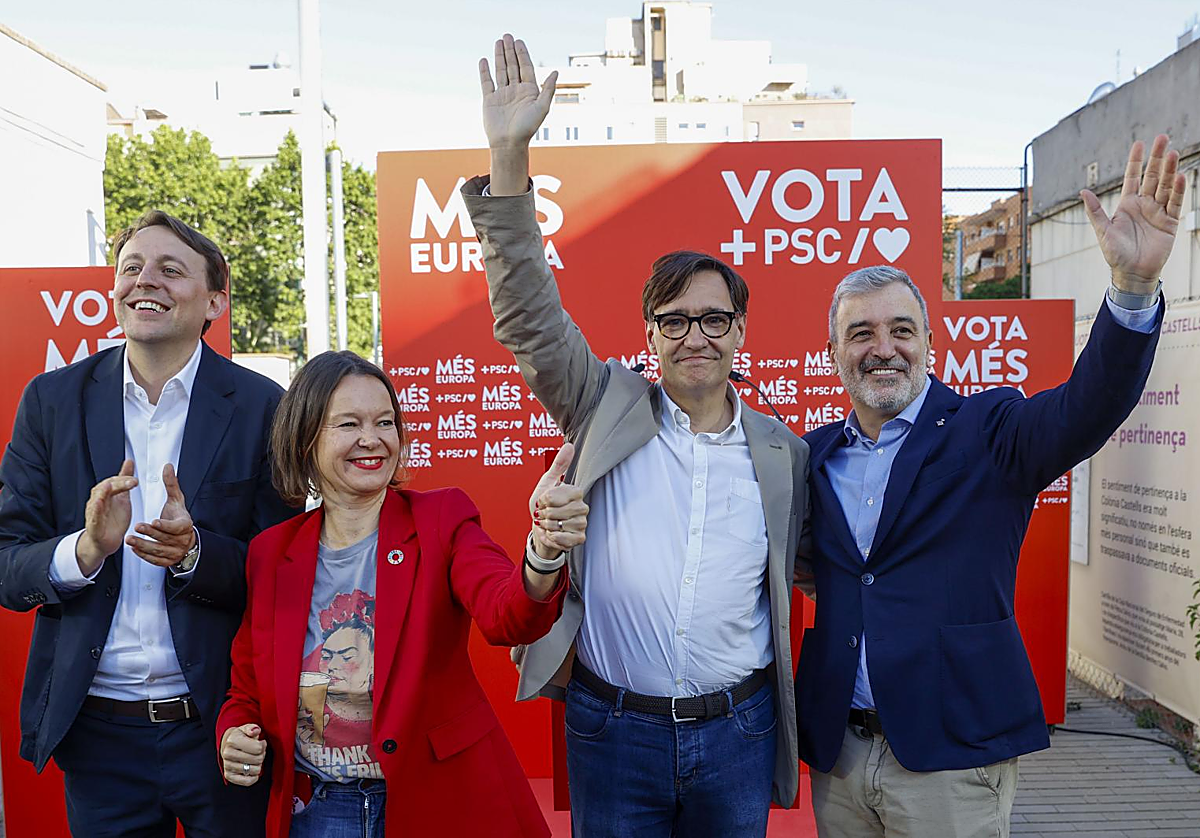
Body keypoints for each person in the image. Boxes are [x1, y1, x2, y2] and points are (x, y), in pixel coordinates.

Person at [462, 35, 812, 836]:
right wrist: (509, 158)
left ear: (740, 330)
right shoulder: (602, 406)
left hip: (739, 732)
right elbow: (526, 314)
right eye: (675, 319)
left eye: (714, 317)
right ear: (649, 335)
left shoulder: (783, 455)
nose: (697, 335)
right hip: (612, 730)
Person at [797, 135, 1185, 837]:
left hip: (951, 762)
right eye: (860, 333)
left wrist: (1132, 291)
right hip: (842, 760)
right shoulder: (812, 456)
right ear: (832, 354)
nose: (881, 347)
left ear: (929, 346)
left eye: (900, 330)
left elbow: (1086, 407)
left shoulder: (989, 429)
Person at [0, 211, 295, 836]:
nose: (144, 281)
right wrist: (83, 550)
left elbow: (286, 569)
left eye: (169, 269)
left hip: (222, 728)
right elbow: (7, 561)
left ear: (215, 299)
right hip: (98, 734)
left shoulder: (263, 406)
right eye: (131, 267)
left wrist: (195, 554)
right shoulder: (51, 402)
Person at [216, 350, 582, 838]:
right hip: (319, 813)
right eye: (348, 424)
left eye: (385, 422)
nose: (372, 439)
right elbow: (246, 689)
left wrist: (542, 550)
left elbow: (508, 615)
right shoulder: (271, 553)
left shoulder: (440, 519)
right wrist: (234, 734)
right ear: (305, 439)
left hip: (438, 802)